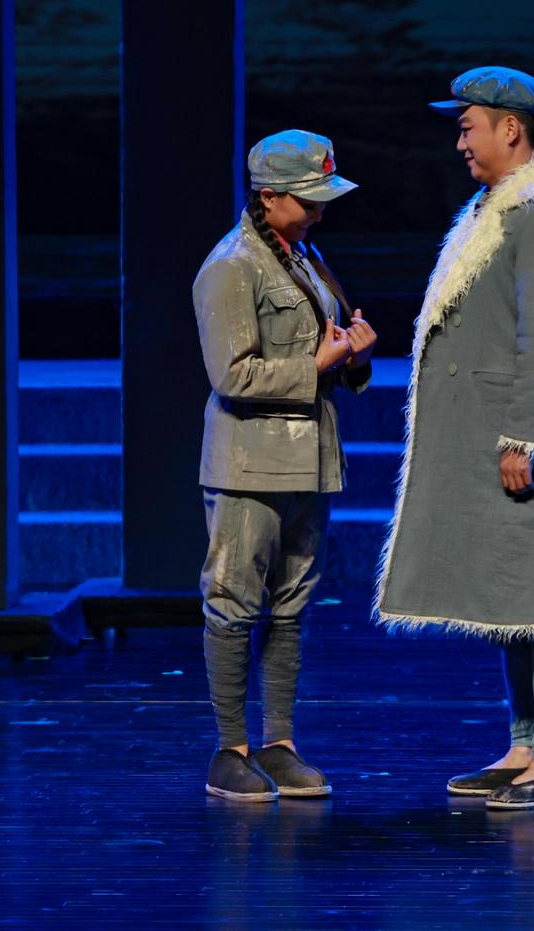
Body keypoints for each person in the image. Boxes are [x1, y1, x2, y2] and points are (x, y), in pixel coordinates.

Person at [373, 67, 534, 809]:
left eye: (468, 126)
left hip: (530, 445)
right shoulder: (497, 211)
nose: (460, 141)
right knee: (512, 599)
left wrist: (522, 439)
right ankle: (521, 747)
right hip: (494, 439)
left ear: (511, 129)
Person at [192, 130, 378, 801]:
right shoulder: (231, 266)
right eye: (308, 199)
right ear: (268, 197)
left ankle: (279, 743)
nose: (320, 211)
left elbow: (324, 350)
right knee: (234, 603)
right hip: (250, 463)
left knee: (292, 604)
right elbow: (232, 374)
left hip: (310, 460)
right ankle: (231, 748)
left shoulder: (304, 256)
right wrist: (317, 364)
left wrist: (351, 357)